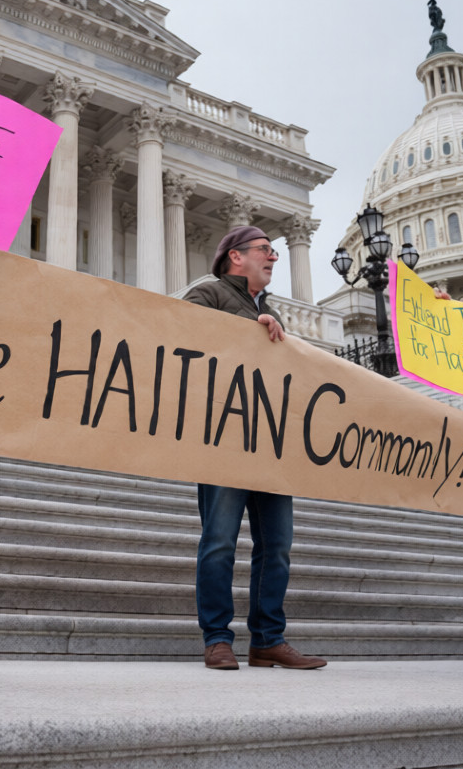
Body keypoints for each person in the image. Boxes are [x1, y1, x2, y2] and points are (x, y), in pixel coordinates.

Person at [182, 225, 327, 671]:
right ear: (235, 257)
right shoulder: (208, 292)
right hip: (225, 439)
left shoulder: (269, 308)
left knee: (277, 545)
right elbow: (178, 333)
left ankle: (268, 639)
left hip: (271, 442)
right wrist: (248, 327)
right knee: (220, 541)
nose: (274, 257)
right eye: (265, 250)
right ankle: (217, 638)